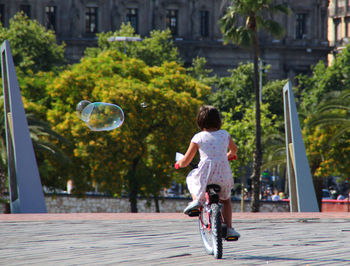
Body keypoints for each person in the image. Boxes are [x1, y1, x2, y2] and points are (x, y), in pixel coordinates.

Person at [175, 105, 240, 239]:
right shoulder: (225, 135)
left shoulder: (198, 137)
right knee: (226, 200)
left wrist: (179, 163)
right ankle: (229, 228)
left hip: (205, 176)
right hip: (223, 175)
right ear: (218, 120)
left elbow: (186, 161)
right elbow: (234, 150)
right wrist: (229, 155)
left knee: (191, 177)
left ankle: (196, 201)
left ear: (200, 121)